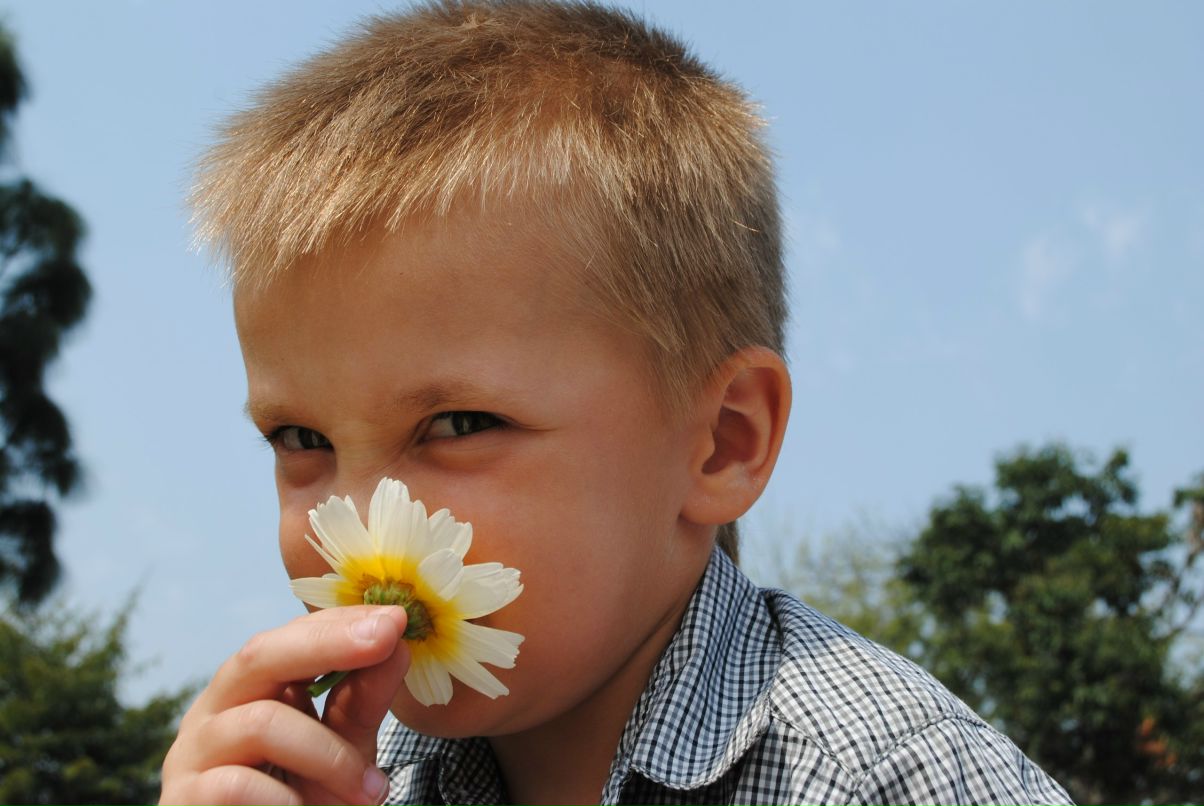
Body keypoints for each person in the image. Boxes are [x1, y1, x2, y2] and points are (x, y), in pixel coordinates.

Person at [161, 2, 1075, 804]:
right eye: (300, 438)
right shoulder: (349, 781)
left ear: (721, 441)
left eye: (459, 425)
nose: (355, 528)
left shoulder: (880, 775)